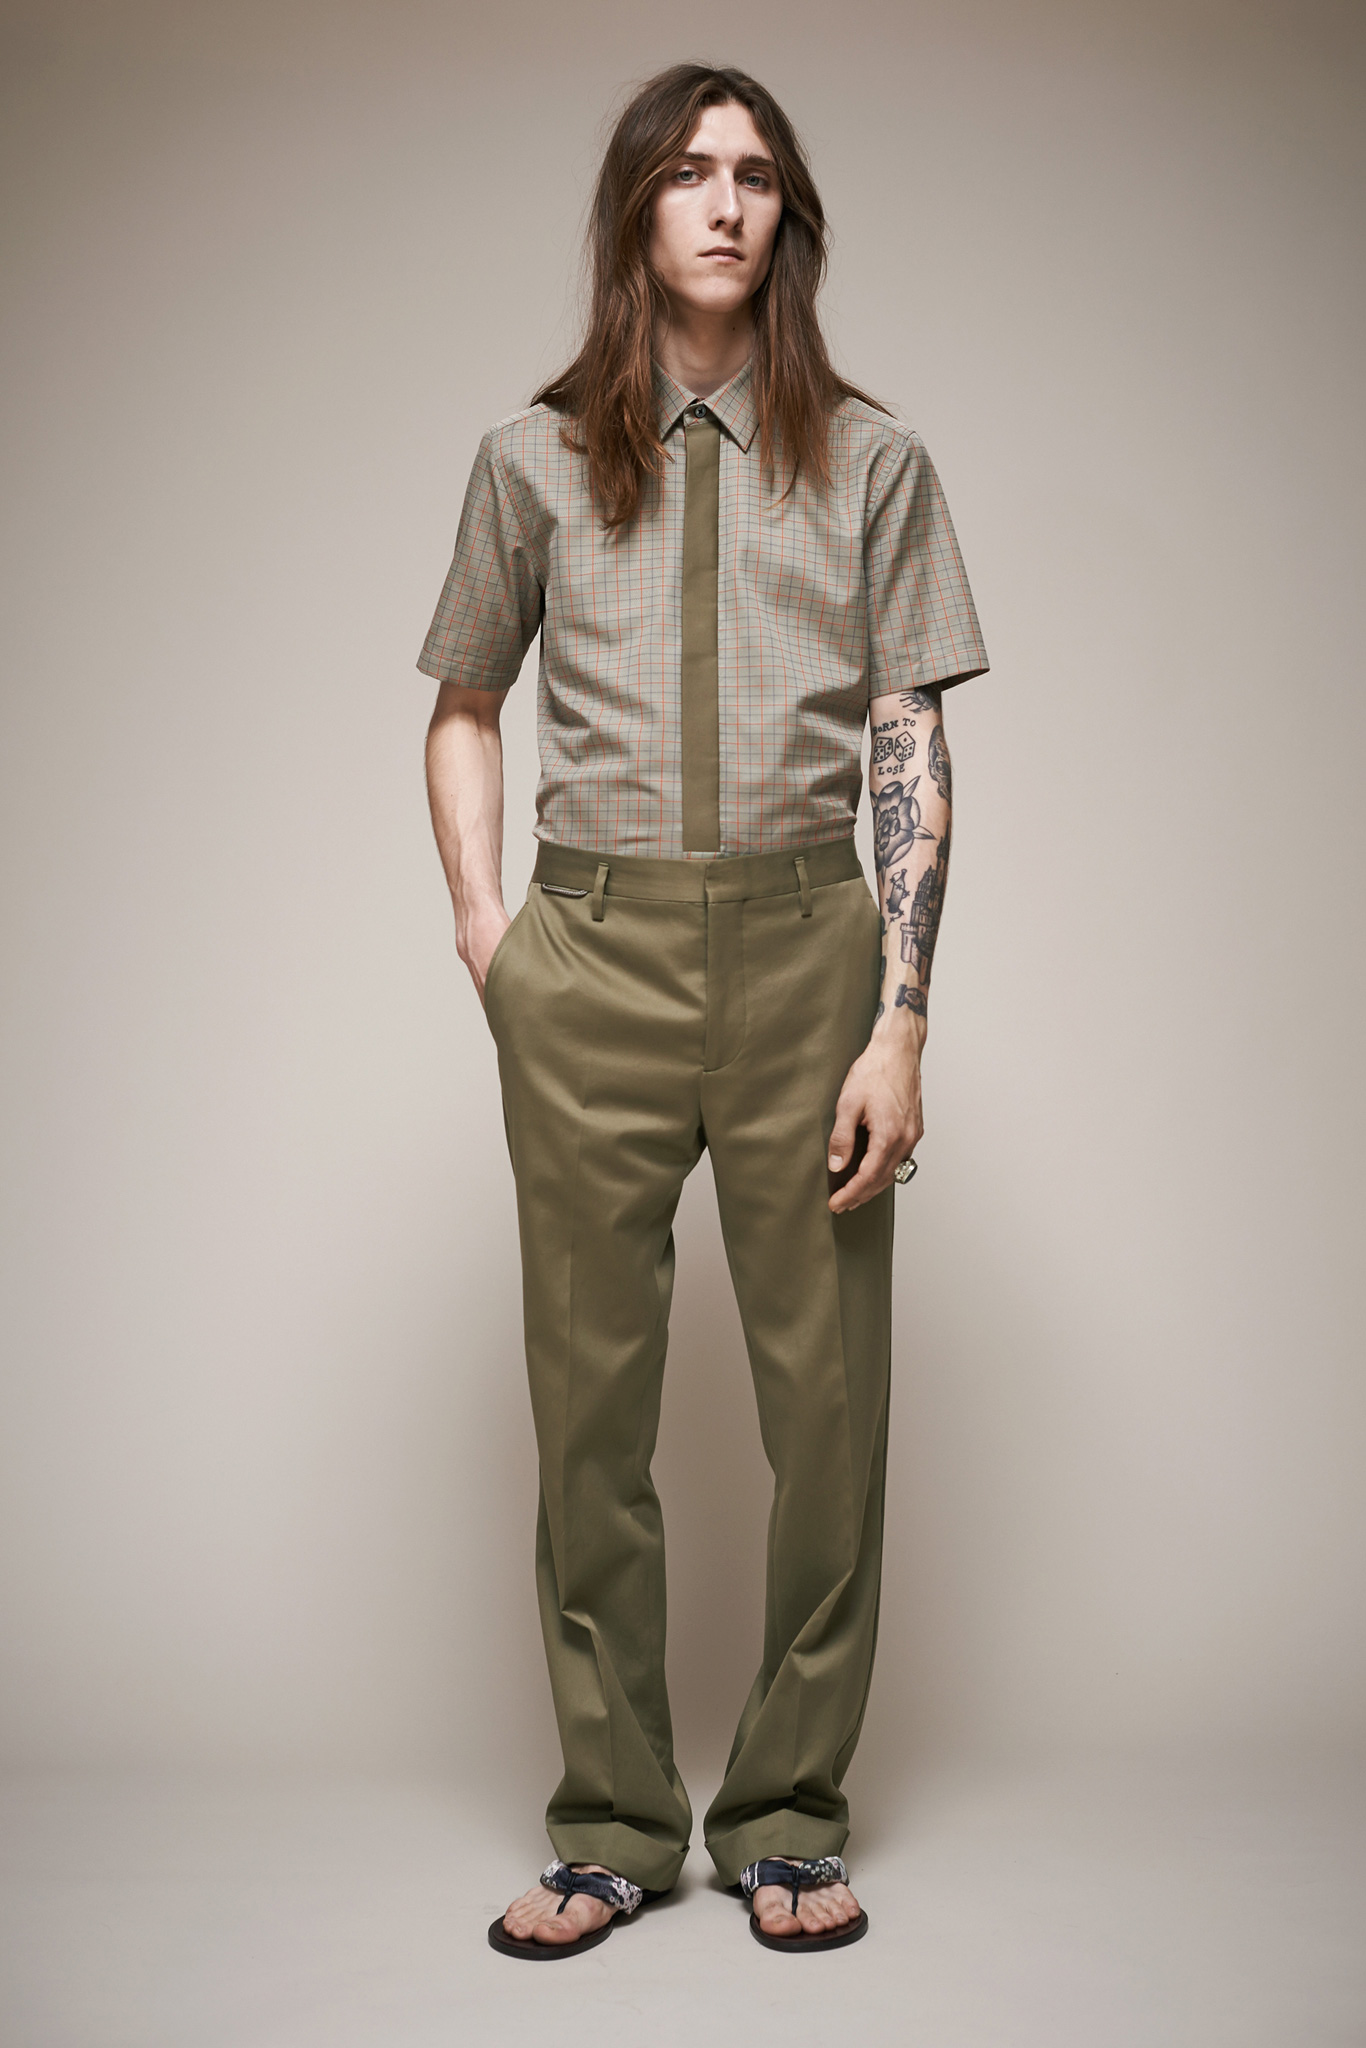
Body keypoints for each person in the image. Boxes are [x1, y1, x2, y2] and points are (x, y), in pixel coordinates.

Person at [419, 61, 987, 1958]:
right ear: (635, 214)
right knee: (588, 1416)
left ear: (786, 215)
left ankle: (789, 1813)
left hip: (811, 954)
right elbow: (463, 706)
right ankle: (609, 1821)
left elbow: (909, 741)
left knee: (827, 1418)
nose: (724, 204)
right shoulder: (528, 460)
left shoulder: (875, 461)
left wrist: (900, 1019)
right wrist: (491, 937)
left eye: (753, 175)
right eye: (687, 173)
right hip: (589, 963)